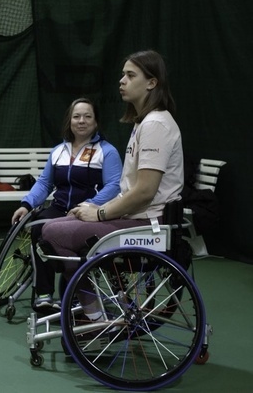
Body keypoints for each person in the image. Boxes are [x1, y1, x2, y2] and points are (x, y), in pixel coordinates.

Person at [40, 49, 183, 321]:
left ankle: (93, 317)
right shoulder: (144, 123)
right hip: (138, 217)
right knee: (55, 226)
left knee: (54, 232)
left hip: (149, 223)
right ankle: (90, 312)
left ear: (152, 83)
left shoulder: (156, 124)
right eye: (122, 75)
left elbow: (144, 192)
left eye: (130, 75)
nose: (122, 81)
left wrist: (99, 212)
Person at [10, 98, 122, 311]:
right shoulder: (58, 151)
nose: (82, 121)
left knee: (76, 240)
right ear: (69, 121)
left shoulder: (107, 151)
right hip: (60, 208)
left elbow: (113, 186)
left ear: (96, 122)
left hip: (89, 212)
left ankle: (78, 293)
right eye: (76, 116)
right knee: (37, 228)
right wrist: (26, 204)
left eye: (88, 116)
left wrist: (89, 205)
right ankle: (44, 293)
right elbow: (44, 183)